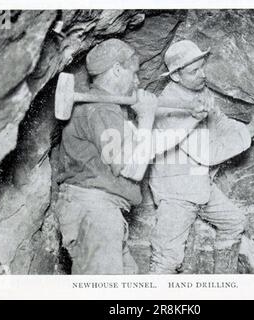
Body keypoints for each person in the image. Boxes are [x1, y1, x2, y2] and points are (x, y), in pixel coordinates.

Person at [148, 40, 254, 274]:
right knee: (166, 259)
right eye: (194, 71)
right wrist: (250, 133)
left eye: (201, 67)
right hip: (176, 191)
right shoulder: (170, 106)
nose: (202, 74)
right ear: (175, 76)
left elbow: (220, 123)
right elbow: (208, 154)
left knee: (234, 222)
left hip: (198, 185)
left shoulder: (200, 92)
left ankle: (222, 286)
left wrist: (249, 125)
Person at [55, 38, 159, 274]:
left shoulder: (106, 108)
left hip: (98, 213)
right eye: (134, 73)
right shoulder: (101, 109)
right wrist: (147, 119)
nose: (137, 80)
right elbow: (132, 168)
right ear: (117, 69)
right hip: (95, 215)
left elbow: (142, 148)